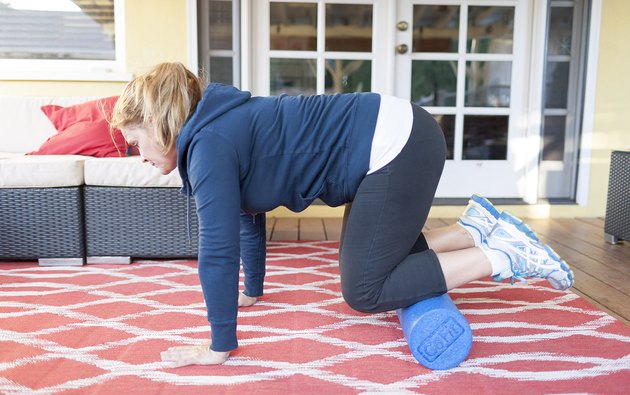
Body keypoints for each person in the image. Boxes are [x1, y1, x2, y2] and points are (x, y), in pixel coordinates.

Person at [110, 62, 573, 367]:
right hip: (395, 138)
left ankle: (504, 256)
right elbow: (245, 216)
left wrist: (218, 345)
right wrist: (251, 292)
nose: (138, 154)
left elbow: (216, 250)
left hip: (397, 146)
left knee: (366, 288)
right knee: (374, 253)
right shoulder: (216, 130)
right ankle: (474, 229)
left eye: (136, 141)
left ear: (159, 124)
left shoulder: (209, 143)